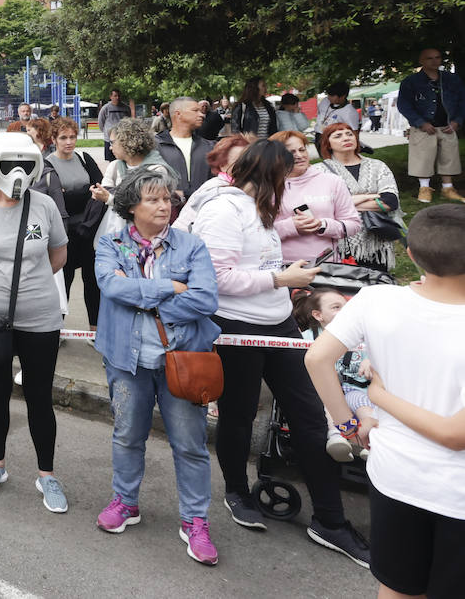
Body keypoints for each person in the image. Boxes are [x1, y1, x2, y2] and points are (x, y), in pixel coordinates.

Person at [191, 139, 369, 565]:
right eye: (286, 178)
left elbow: (267, 266)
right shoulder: (224, 209)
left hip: (279, 323)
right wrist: (279, 280)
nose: (291, 187)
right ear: (269, 174)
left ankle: (330, 520)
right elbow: (215, 277)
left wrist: (291, 278)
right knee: (239, 413)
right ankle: (237, 490)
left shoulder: (264, 210)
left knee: (309, 415)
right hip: (236, 326)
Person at [305, 205, 465, 597]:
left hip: (394, 474)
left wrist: (360, 412)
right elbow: (453, 435)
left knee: (396, 586)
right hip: (456, 493)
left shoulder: (375, 300)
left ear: (409, 253)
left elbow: (317, 358)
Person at [93, 168, 221, 565]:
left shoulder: (191, 246)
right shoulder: (110, 243)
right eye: (154, 199)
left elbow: (205, 301)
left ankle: (195, 521)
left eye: (167, 198)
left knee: (189, 444)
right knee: (128, 435)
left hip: (181, 359)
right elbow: (110, 287)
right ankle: (126, 502)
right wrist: (169, 287)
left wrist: (141, 296)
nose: (165, 205)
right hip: (126, 359)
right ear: (132, 206)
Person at [0, 132, 70, 511]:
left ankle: (47, 475)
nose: (18, 173)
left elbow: (59, 254)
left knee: (40, 397)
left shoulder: (45, 205)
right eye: (10, 165)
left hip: (41, 319)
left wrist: (25, 287)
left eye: (25, 164)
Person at [292, 289, 376, 462]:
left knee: (363, 406)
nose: (344, 312)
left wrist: (372, 361)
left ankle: (372, 440)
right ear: (318, 315)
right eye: (336, 307)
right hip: (326, 390)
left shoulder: (364, 338)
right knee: (327, 405)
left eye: (346, 307)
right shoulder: (308, 337)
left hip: (356, 388)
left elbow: (382, 355)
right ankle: (336, 437)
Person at [39, 118, 105, 328]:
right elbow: (56, 200)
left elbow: (101, 187)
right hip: (64, 232)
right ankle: (57, 328)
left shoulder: (83, 158)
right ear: (54, 139)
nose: (69, 142)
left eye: (72, 137)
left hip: (89, 230)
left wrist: (73, 195)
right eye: (63, 138)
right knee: (62, 281)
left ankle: (95, 329)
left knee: (92, 281)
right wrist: (86, 194)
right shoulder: (47, 164)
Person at [318, 123, 402, 272]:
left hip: (376, 239)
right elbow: (321, 205)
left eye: (349, 134)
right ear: (327, 144)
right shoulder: (319, 171)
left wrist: (342, 204)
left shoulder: (377, 166)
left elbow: (390, 201)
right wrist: (369, 196)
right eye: (338, 136)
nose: (346, 138)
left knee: (377, 286)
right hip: (340, 242)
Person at [271, 130, 362, 263]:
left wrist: (323, 225)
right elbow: (256, 235)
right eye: (291, 152)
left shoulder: (332, 181)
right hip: (282, 268)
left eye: (302, 150)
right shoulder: (268, 186)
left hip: (326, 267)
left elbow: (354, 225)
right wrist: (291, 227)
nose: (299, 155)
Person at [397, 47, 463, 203]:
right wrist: (420, 122)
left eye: (438, 57)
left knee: (449, 157)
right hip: (423, 126)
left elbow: (462, 101)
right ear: (421, 61)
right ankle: (424, 188)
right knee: (422, 157)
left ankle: (448, 188)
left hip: (447, 124)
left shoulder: (451, 79)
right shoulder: (411, 81)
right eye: (429, 58)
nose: (435, 61)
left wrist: (457, 120)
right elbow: (404, 105)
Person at [156, 97, 216, 205]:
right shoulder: (156, 146)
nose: (202, 114)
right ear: (178, 114)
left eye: (201, 111)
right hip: (168, 213)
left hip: (203, 211)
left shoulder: (210, 147)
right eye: (195, 111)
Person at [314, 81, 360, 148]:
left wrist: (355, 148)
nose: (329, 97)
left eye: (332, 96)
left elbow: (354, 131)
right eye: (328, 95)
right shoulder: (325, 101)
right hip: (319, 135)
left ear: (342, 96)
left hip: (334, 139)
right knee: (324, 157)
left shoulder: (350, 112)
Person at [98, 89, 131, 162]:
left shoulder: (126, 108)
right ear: (111, 97)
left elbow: (129, 121)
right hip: (109, 139)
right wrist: (106, 132)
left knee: (124, 159)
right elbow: (101, 122)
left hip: (123, 138)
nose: (117, 98)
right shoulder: (105, 108)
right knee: (111, 160)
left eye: (119, 96)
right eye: (115, 96)